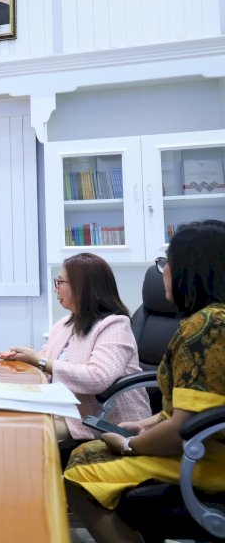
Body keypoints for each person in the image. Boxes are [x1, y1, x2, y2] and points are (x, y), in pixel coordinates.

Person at [64, 221, 225, 543]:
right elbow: (197, 402)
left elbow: (189, 424)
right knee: (86, 453)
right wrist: (148, 422)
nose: (163, 271)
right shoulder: (212, 319)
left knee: (79, 475)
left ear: (190, 269)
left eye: (167, 262)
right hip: (203, 441)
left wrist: (128, 444)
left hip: (210, 458)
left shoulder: (207, 326)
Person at [0, 253, 150, 462]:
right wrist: (23, 357)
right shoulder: (67, 322)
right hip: (63, 409)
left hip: (100, 420)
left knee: (22, 432)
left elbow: (98, 378)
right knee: (5, 417)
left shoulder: (115, 326)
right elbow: (47, 359)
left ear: (82, 286)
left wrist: (39, 361)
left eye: (60, 282)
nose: (56, 288)